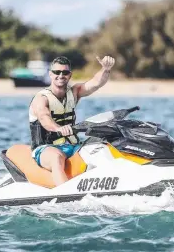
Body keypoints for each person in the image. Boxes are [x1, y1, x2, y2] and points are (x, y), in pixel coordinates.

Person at [29, 55, 115, 186]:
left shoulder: (74, 92)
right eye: (57, 72)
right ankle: (66, 195)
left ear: (70, 75)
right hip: (46, 148)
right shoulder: (41, 98)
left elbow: (96, 83)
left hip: (73, 146)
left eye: (65, 72)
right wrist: (58, 128)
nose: (61, 75)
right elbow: (44, 117)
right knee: (56, 157)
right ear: (50, 74)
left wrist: (106, 69)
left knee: (102, 149)